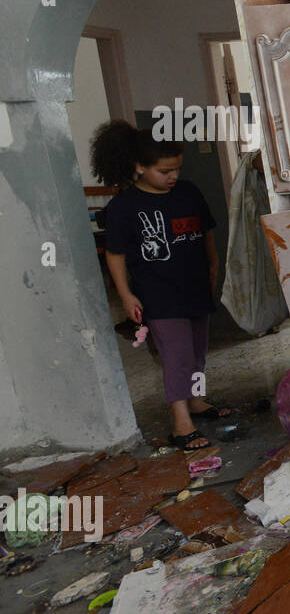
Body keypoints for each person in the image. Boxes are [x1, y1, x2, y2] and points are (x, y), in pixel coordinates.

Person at [91, 120, 232, 451]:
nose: (173, 177)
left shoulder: (188, 192)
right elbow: (115, 255)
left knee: (198, 351)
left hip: (195, 287)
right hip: (159, 295)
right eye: (164, 170)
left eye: (177, 169)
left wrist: (213, 266)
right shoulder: (124, 206)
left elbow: (206, 232)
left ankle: (197, 401)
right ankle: (181, 423)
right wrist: (126, 296)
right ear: (139, 167)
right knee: (176, 355)